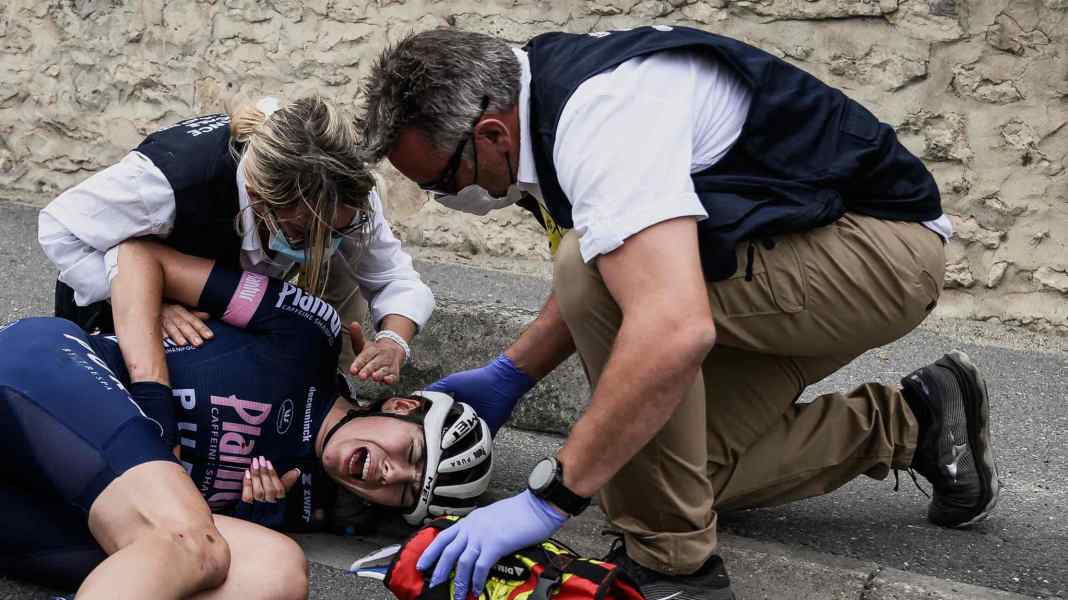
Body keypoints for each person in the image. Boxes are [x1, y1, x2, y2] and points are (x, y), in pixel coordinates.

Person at [357, 26, 999, 600]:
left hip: (879, 256)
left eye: (441, 182)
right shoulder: (539, 108)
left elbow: (666, 324)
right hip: (802, 260)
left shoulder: (601, 117)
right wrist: (510, 374)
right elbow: (626, 265)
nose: (445, 200)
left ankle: (672, 571)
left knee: (589, 279)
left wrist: (548, 500)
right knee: (647, 474)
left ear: (491, 133)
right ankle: (916, 422)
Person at [0, 238, 492, 597]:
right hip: (42, 380)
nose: (391, 473)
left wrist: (247, 517)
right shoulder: (309, 336)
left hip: (43, 501)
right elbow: (138, 259)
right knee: (193, 542)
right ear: (402, 406)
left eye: (405, 491)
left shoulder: (303, 505)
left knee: (274, 574)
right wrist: (155, 403)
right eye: (411, 454)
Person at [38, 95, 433, 388]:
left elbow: (392, 278)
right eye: (302, 233)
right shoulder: (164, 185)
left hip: (223, 288)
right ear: (260, 200)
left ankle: (324, 387)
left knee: (345, 261)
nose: (320, 245)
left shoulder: (342, 189)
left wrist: (393, 340)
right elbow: (59, 229)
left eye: (335, 230)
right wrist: (149, 302)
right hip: (116, 303)